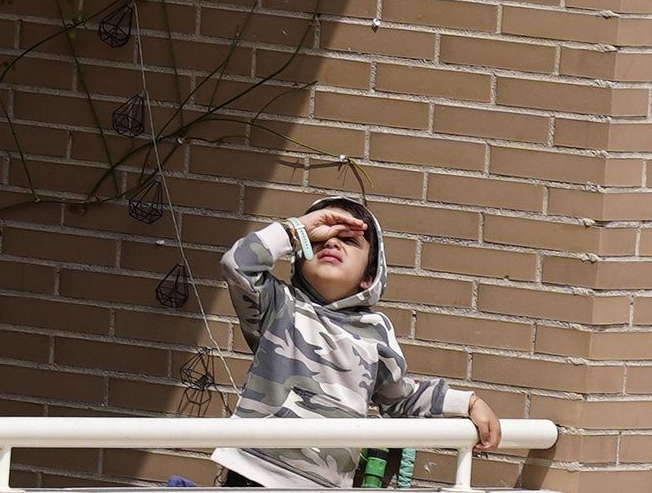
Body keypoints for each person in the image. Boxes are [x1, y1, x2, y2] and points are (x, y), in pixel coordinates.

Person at [211, 196, 500, 488]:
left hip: (326, 484)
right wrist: (297, 230)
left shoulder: (375, 332)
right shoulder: (278, 305)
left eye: (349, 241)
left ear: (369, 277)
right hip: (254, 471)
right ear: (299, 258)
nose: (332, 244)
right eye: (320, 239)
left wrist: (468, 402)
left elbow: (400, 398)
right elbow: (238, 264)